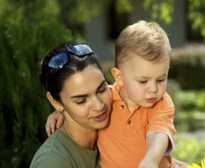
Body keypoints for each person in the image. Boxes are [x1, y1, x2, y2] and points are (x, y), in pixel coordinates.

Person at [46, 20, 179, 168]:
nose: (153, 89)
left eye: (161, 79)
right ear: (119, 77)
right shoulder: (108, 98)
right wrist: (62, 113)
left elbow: (158, 134)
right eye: (143, 81)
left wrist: (152, 159)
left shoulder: (161, 103)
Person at [30, 42, 112, 168]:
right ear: (55, 102)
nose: (99, 106)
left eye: (101, 90)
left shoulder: (117, 119)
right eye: (81, 100)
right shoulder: (52, 162)